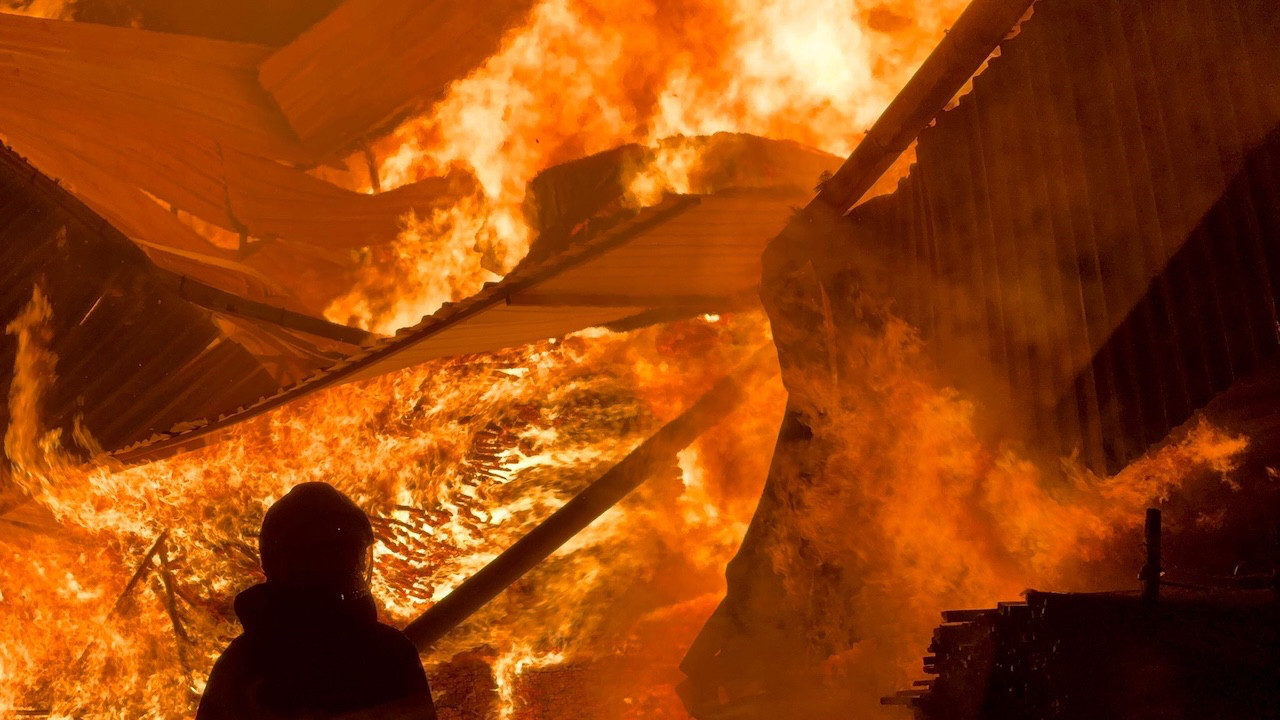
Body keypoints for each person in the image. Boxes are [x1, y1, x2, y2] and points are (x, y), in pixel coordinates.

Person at [197, 482, 436, 720]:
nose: (346, 568)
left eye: (353, 556)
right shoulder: (390, 652)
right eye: (328, 557)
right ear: (288, 565)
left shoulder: (243, 663)